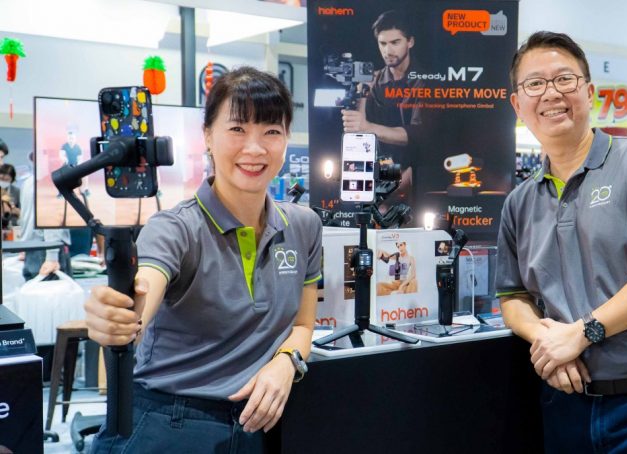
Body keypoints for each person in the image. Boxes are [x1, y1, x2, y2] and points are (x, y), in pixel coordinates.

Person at [86, 67, 323, 452]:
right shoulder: (175, 228)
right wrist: (118, 317)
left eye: (271, 131)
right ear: (208, 136)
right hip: (167, 422)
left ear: (286, 138)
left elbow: (303, 324)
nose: (255, 148)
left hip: (257, 426)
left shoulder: (304, 225)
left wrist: (287, 362)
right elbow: (144, 292)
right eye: (237, 129)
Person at [495, 31, 627, 453]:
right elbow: (513, 297)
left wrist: (583, 333)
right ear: (518, 105)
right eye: (535, 84)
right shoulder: (519, 202)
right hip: (567, 403)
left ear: (589, 92)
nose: (551, 93)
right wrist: (548, 342)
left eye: (564, 79)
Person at [341, 10, 425, 193]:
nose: (388, 51)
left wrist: (367, 127)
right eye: (383, 44)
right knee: (377, 200)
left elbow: (417, 135)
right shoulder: (372, 81)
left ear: (410, 42)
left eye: (395, 42)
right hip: (383, 163)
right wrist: (361, 96)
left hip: (419, 168)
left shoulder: (424, 81)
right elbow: (357, 131)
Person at [18, 158, 72, 279]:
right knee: (54, 290)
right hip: (47, 249)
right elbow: (51, 219)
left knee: (35, 290)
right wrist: (52, 256)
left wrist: (23, 246)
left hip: (32, 248)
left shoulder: (28, 182)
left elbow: (25, 218)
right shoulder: (49, 183)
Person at [0, 164, 20, 228]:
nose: (3, 181)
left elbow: (22, 212)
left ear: (12, 179)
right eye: (1, 179)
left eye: (7, 179)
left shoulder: (16, 191)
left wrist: (14, 210)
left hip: (13, 227)